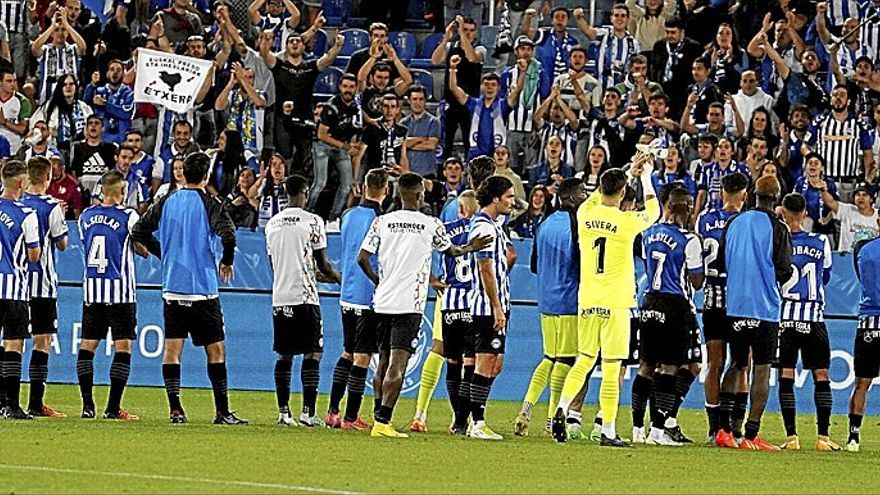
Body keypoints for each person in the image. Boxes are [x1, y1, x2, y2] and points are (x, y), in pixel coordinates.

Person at [357, 172, 489, 438]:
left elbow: (362, 258)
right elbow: (451, 251)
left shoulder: (382, 222)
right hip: (408, 304)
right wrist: (472, 246)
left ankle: (377, 418)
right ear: (419, 195)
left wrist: (378, 280)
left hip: (382, 301)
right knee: (399, 363)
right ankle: (384, 422)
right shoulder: (430, 224)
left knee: (382, 361)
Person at [551, 152, 660, 446]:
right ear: (623, 192)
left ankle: (561, 408)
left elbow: (602, 190)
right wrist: (645, 175)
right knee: (611, 367)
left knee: (583, 360)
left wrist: (627, 169)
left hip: (587, 300)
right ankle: (608, 430)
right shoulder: (626, 222)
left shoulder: (586, 214)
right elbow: (654, 212)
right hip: (616, 304)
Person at [132, 152, 247, 425]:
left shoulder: (166, 200)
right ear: (206, 176)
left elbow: (138, 231)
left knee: (172, 350)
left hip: (173, 287)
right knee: (216, 350)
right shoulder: (210, 203)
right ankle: (221, 411)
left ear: (183, 173)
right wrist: (227, 261)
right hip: (202, 288)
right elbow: (229, 235)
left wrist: (165, 254)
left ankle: (175, 409)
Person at [718, 175, 793, 450]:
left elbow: (721, 259)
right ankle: (751, 434)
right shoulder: (778, 227)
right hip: (765, 308)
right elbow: (784, 269)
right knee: (761, 369)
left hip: (736, 305)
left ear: (752, 194)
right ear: (777, 197)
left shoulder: (734, 222)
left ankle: (725, 429)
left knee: (736, 364)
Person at [265, 174, 340, 427]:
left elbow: (276, 264)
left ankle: (284, 413)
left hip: (281, 297)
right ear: (305, 192)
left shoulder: (272, 224)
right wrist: (339, 278)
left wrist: (313, 272)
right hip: (306, 297)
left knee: (285, 355)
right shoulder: (313, 221)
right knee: (314, 352)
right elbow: (323, 263)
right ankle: (308, 413)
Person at [632, 186, 704, 446]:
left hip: (650, 300)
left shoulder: (648, 234)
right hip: (676, 305)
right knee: (670, 367)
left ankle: (638, 429)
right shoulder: (690, 239)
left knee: (647, 366)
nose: (690, 209)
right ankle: (658, 431)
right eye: (687, 204)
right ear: (675, 206)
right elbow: (697, 282)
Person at [515, 178, 586, 436]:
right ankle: (551, 418)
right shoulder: (576, 224)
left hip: (545, 300)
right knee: (565, 361)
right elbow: (581, 263)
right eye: (582, 193)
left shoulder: (544, 223)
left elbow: (534, 265)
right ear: (571, 198)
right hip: (568, 300)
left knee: (549, 358)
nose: (585, 198)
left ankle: (527, 405)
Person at [75, 170, 143, 421]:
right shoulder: (129, 216)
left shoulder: (86, 216)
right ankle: (113, 408)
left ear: (102, 190)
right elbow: (141, 245)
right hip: (121, 293)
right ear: (122, 191)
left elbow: (86, 243)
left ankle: (87, 406)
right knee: (123, 346)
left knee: (87, 346)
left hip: (93, 291)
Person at [775, 192, 840, 451]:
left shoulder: (779, 244)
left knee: (786, 375)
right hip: (813, 318)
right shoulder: (821, 240)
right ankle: (823, 438)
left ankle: (792, 438)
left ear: (783, 213)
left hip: (787, 319)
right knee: (821, 375)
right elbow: (825, 277)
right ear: (804, 214)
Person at [324, 169, 388, 430]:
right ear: (386, 189)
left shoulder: (348, 215)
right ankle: (351, 417)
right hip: (366, 295)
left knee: (348, 352)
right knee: (362, 356)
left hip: (346, 294)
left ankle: (332, 412)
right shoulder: (379, 219)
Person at [462, 175, 516, 440]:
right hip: (486, 308)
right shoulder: (482, 227)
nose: (512, 202)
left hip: (498, 304)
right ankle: (477, 423)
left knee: (495, 365)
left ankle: (474, 416)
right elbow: (485, 269)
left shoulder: (492, 224)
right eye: (508, 197)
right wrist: (496, 307)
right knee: (484, 363)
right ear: (495, 198)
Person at [697, 172, 748, 444]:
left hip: (711, 301)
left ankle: (714, 429)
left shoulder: (704, 220)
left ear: (721, 194)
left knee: (714, 363)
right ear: (745, 195)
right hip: (739, 302)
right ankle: (734, 429)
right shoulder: (745, 222)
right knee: (742, 364)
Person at [20, 157, 67, 418]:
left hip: (16, 284)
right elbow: (61, 243)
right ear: (48, 177)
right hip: (43, 284)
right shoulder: (52, 207)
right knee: (42, 340)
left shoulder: (13, 203)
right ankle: (36, 403)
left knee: (11, 340)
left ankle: (6, 399)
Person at [259, 30, 344, 163]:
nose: (294, 43)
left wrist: (337, 46)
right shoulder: (279, 65)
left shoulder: (311, 66)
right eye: (291, 41)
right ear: (286, 47)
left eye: (298, 41)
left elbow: (328, 59)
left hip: (305, 118)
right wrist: (266, 38)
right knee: (283, 156)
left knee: (304, 157)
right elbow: (264, 53)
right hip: (282, 119)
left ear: (303, 47)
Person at [0, 161, 40, 419]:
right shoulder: (26, 214)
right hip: (13, 289)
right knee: (14, 344)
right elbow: (34, 255)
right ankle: (12, 405)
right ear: (19, 183)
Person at [447, 55, 526, 161]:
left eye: (493, 85)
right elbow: (454, 88)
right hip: (475, 154)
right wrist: (452, 68)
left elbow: (518, 90)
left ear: (498, 88)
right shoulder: (473, 104)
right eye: (486, 84)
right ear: (481, 87)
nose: (489, 87)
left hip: (496, 155)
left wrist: (523, 72)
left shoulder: (503, 105)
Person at [431, 15, 485, 161]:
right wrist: (446, 38)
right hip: (450, 100)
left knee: (470, 141)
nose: (467, 33)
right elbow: (435, 60)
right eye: (465, 29)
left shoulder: (480, 48)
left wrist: (461, 33)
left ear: (475, 32)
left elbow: (472, 57)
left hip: (470, 102)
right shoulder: (450, 47)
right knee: (445, 142)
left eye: (470, 30)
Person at [310, 74, 363, 220]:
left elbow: (354, 125)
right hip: (322, 145)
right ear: (340, 87)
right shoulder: (331, 107)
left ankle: (333, 218)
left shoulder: (354, 106)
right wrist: (346, 147)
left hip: (340, 145)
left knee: (347, 185)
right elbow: (322, 135)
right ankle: (307, 213)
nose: (348, 90)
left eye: (351, 87)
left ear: (356, 88)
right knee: (320, 183)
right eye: (345, 86)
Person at [848, 224, 880, 452]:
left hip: (869, 321)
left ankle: (853, 438)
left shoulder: (863, 248)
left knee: (861, 383)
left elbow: (861, 278)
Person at [573, 4, 641, 90]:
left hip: (624, 89)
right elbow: (588, 31)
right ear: (611, 18)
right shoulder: (603, 34)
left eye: (623, 16)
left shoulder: (633, 43)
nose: (619, 19)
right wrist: (579, 18)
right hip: (600, 87)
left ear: (628, 19)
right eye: (616, 15)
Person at [31, 7, 87, 104]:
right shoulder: (45, 49)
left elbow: (83, 47)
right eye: (57, 30)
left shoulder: (73, 49)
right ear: (51, 33)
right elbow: (34, 49)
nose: (60, 33)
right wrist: (52, 26)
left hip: (70, 100)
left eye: (63, 29)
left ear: (68, 33)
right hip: (47, 99)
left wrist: (67, 24)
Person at [83, 59, 134, 145]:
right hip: (101, 140)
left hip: (121, 141)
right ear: (107, 73)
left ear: (123, 74)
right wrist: (92, 84)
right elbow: (85, 103)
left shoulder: (129, 93)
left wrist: (106, 104)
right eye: (112, 69)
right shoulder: (99, 91)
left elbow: (126, 114)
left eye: (119, 70)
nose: (115, 72)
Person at [69, 115, 117, 193]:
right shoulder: (76, 148)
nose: (93, 125)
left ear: (103, 128)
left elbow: (113, 171)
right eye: (90, 123)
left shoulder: (111, 148)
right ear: (86, 128)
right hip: (83, 191)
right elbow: (72, 171)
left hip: (104, 190)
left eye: (97, 123)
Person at [401, 87, 440, 178]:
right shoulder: (403, 123)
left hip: (428, 174)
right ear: (409, 101)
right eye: (414, 99)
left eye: (421, 99)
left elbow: (430, 145)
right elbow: (399, 145)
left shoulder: (433, 122)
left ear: (425, 101)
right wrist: (420, 139)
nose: (417, 103)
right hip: (407, 173)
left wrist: (408, 143)